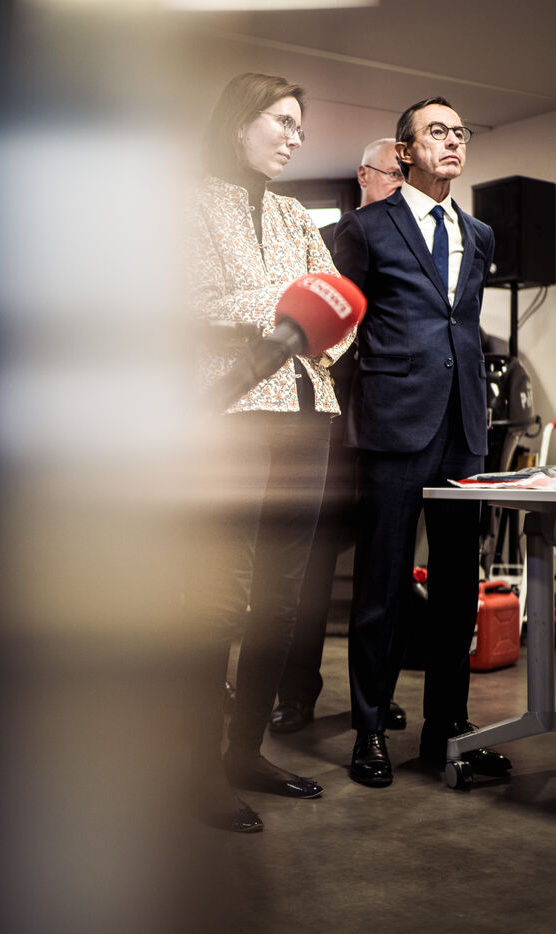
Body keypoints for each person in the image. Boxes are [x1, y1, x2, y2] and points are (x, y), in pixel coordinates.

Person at [185, 72, 354, 831]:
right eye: (282, 121)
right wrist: (289, 310)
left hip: (307, 417)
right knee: (220, 601)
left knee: (284, 601)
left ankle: (244, 752)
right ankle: (192, 769)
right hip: (229, 416)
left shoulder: (292, 212)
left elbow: (339, 306)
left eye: (299, 126)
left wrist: (314, 325)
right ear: (238, 122)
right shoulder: (185, 203)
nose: (295, 137)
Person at [333, 97, 512, 787]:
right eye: (436, 131)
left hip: (463, 425)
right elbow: (343, 331)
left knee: (457, 587)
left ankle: (446, 732)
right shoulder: (364, 228)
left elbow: (458, 325)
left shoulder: (480, 234)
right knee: (381, 585)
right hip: (392, 423)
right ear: (405, 151)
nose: (453, 140)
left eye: (459, 132)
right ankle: (370, 730)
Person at [270, 138, 408, 736]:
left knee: (381, 568)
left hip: (386, 424)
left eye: (407, 175)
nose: (401, 184)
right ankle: (296, 693)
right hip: (334, 420)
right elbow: (324, 329)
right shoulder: (339, 237)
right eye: (393, 173)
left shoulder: (413, 245)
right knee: (312, 568)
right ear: (364, 176)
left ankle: (371, 696)